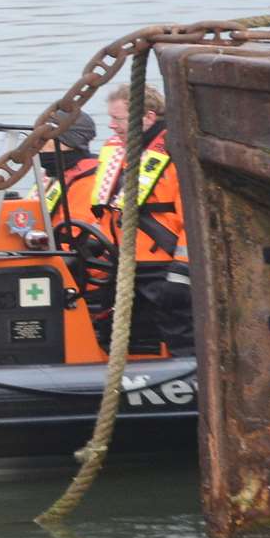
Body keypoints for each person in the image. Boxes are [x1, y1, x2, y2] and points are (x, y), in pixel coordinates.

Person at [90, 86, 193, 354]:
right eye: (111, 119)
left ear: (147, 117)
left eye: (118, 119)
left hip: (162, 264)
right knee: (119, 331)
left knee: (179, 329)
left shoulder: (175, 154)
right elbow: (112, 209)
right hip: (126, 260)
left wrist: (182, 270)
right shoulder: (123, 152)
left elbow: (193, 220)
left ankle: (191, 380)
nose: (112, 126)